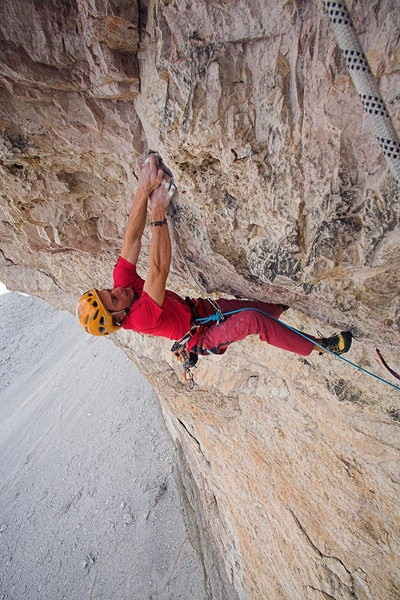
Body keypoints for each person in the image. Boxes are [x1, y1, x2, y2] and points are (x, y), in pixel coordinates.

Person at [76, 153, 352, 360]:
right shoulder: (139, 318)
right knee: (252, 320)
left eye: (107, 290)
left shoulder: (121, 289)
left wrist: (143, 188)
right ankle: (320, 347)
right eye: (113, 298)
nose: (118, 289)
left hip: (202, 311)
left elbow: (132, 239)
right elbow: (158, 269)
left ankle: (281, 313)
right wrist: (158, 209)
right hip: (203, 336)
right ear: (120, 316)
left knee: (269, 308)